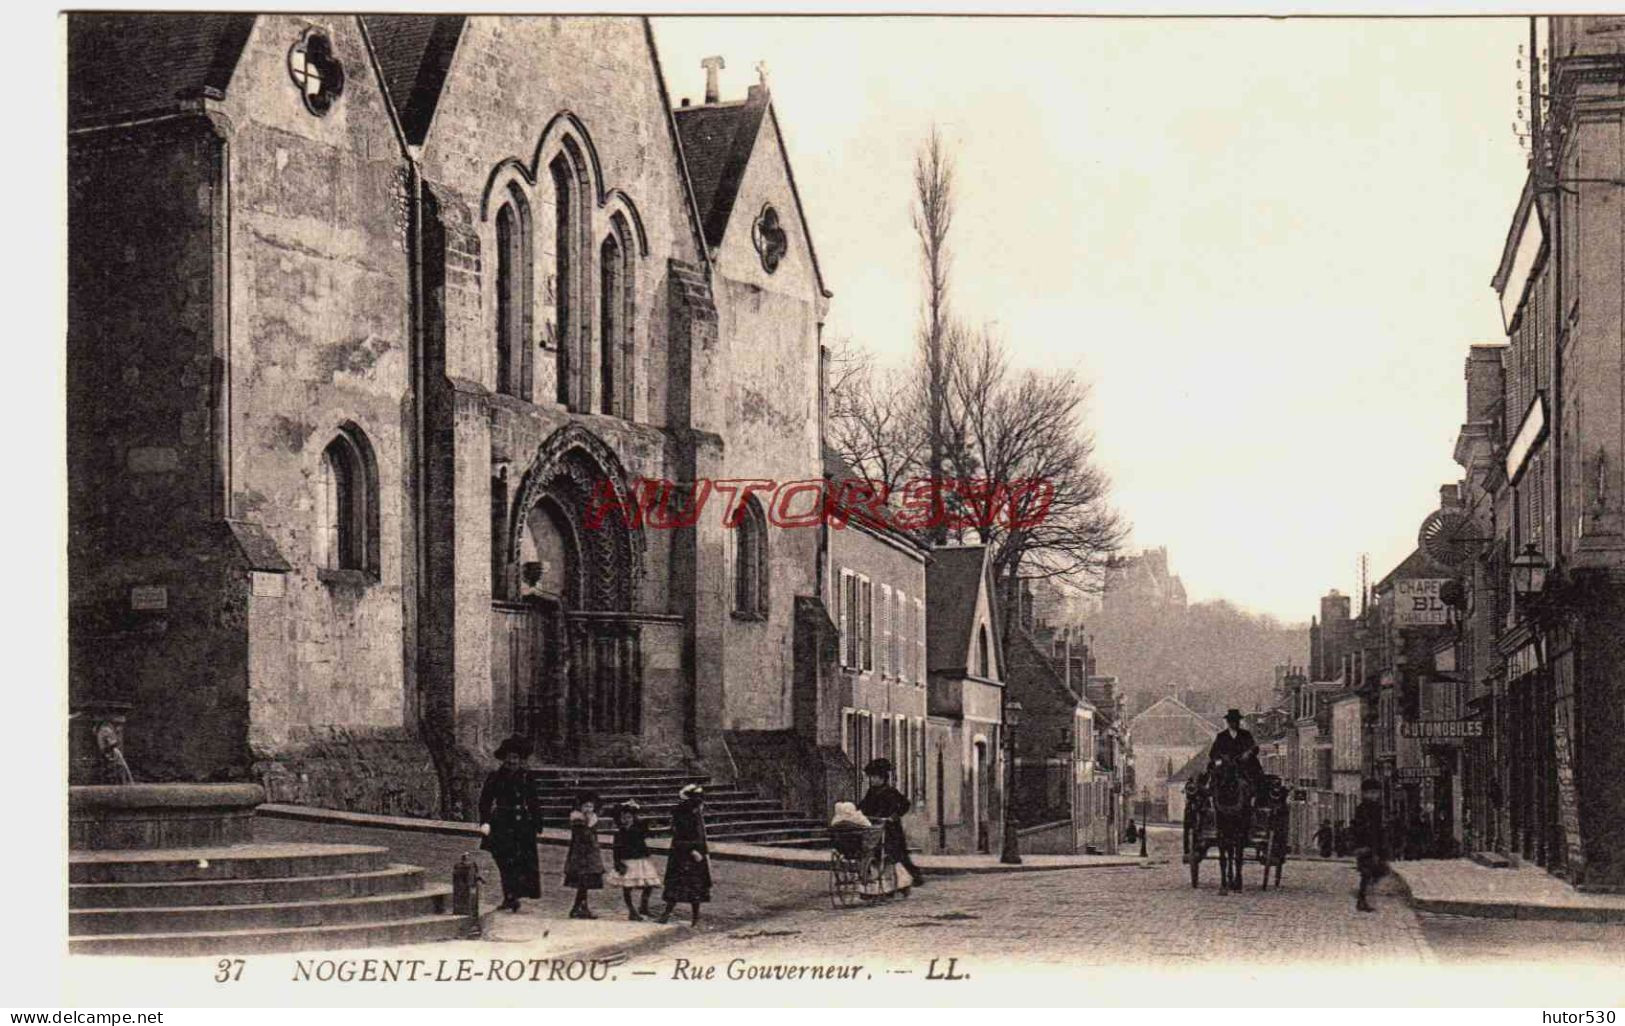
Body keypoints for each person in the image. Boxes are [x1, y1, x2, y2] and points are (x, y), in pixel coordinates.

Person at [478, 736, 541, 913]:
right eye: (509, 758)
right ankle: (509, 895)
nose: (512, 761)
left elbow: (533, 800)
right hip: (502, 823)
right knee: (504, 861)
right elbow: (485, 801)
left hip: (522, 824)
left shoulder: (527, 777)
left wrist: (537, 821)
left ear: (520, 760)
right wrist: (485, 822)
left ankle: (515, 896)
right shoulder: (495, 777)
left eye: (515, 758)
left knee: (521, 861)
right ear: (504, 758)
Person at [858, 757, 926, 888]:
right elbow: (864, 805)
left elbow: (905, 804)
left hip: (891, 829)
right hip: (876, 827)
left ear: (882, 778)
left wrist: (894, 816)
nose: (872, 780)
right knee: (874, 852)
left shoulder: (890, 792)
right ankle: (879, 878)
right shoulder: (871, 792)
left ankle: (916, 876)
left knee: (900, 855)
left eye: (874, 777)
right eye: (871, 777)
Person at [659, 783, 712, 926]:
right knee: (677, 886)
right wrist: (691, 850)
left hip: (697, 855)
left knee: (696, 888)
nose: (700, 802)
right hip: (683, 855)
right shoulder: (682, 814)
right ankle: (666, 914)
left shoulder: (697, 814)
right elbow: (679, 836)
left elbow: (701, 836)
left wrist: (704, 852)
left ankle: (695, 918)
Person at [606, 800, 658, 921]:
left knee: (649, 884)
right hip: (627, 861)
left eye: (629, 817)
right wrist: (618, 863)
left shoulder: (639, 829)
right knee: (627, 886)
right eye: (624, 817)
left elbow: (646, 832)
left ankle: (644, 906)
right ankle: (631, 910)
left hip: (640, 860)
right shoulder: (619, 833)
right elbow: (616, 850)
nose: (626, 820)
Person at [562, 791, 604, 919]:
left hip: (590, 855)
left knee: (585, 884)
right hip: (580, 855)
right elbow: (583, 836)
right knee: (582, 882)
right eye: (585, 806)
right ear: (580, 807)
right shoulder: (578, 820)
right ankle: (579, 908)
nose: (588, 809)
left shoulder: (591, 819)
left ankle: (580, 907)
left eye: (590, 807)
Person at [1351, 778, 1389, 913]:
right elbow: (1361, 828)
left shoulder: (1377, 808)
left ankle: (1364, 898)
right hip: (1366, 845)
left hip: (1373, 845)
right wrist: (1362, 845)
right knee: (1368, 872)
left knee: (1374, 872)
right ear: (1364, 793)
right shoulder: (1364, 809)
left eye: (1376, 792)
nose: (1374, 795)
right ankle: (1363, 899)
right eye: (1371, 793)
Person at [1208, 709, 1262, 788]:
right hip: (1226, 766)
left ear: (1239, 721)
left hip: (1244, 765)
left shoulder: (1246, 734)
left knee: (1257, 777)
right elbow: (1213, 752)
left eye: (1236, 721)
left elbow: (1254, 748)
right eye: (1232, 721)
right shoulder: (1221, 736)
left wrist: (1248, 753)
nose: (1234, 723)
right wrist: (1221, 759)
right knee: (1215, 776)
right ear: (1228, 722)